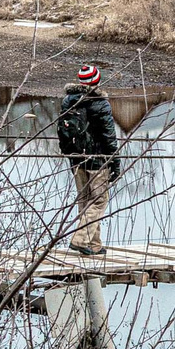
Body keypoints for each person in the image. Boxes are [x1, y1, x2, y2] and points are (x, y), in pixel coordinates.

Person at [56, 64, 122, 255]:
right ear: (97, 81)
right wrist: (114, 163)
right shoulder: (100, 103)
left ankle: (94, 245)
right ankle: (80, 239)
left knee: (85, 201)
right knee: (100, 200)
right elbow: (109, 136)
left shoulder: (69, 100)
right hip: (96, 160)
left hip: (76, 159)